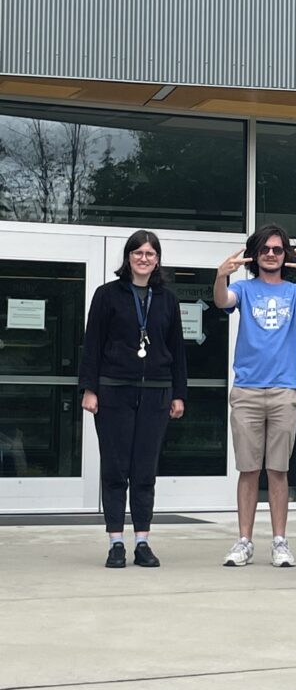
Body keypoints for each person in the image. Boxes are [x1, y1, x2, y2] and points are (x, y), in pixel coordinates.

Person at [214, 223, 296, 568]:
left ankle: (280, 541)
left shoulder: (295, 292)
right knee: (248, 470)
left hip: (284, 390)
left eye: (278, 249)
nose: (272, 254)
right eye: (265, 249)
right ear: (255, 254)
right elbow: (223, 301)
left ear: (285, 254)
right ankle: (244, 541)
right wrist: (220, 276)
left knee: (278, 470)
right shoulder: (244, 289)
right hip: (247, 389)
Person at [79, 230, 187, 569]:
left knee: (144, 471)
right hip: (113, 391)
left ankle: (142, 541)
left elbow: (178, 350)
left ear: (157, 260)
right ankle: (115, 543)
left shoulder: (167, 299)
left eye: (150, 253)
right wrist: (89, 388)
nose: (144, 258)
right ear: (128, 258)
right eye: (138, 253)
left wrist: (179, 394)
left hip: (156, 392)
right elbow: (92, 343)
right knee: (115, 469)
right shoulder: (107, 295)